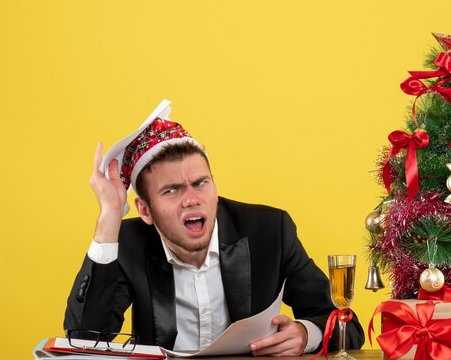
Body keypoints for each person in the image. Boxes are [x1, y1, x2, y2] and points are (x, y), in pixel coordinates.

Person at [64, 100, 364, 356]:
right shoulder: (128, 244)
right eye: (171, 190)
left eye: (200, 183)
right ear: (145, 210)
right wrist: (109, 217)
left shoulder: (269, 231)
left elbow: (347, 324)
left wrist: (304, 334)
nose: (191, 200)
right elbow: (84, 342)